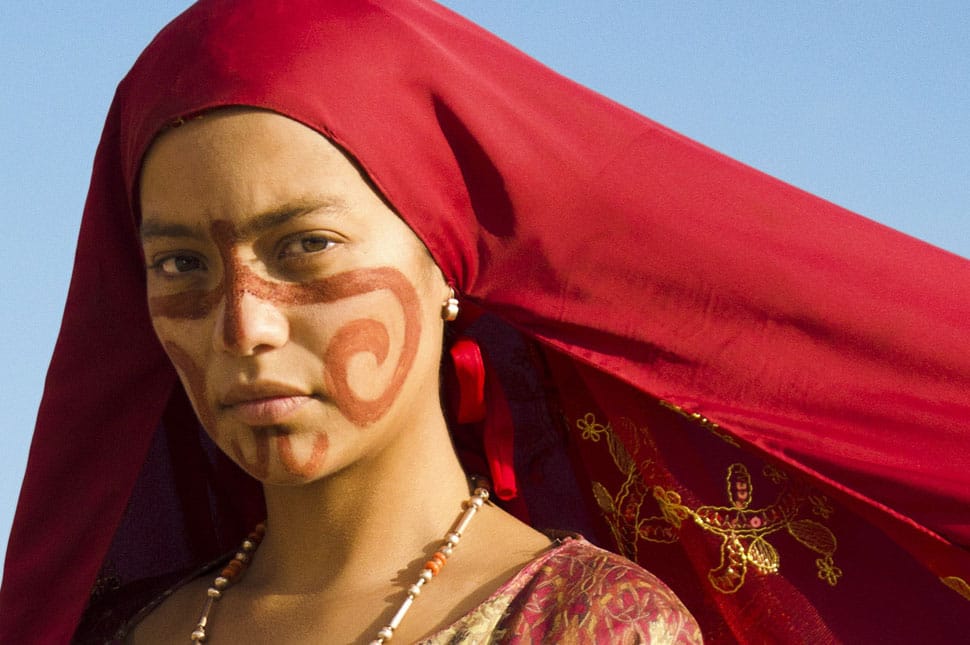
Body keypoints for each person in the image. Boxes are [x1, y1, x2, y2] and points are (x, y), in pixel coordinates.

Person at [1, 1, 968, 642]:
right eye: (182, 265)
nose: (243, 325)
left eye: (305, 247)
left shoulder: (585, 626)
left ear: (443, 256)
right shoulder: (118, 629)